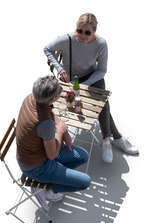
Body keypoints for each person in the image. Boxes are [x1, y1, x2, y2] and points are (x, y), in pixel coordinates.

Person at [44, 12, 139, 163]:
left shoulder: (101, 44)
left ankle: (106, 140)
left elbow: (102, 70)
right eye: (79, 31)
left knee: (102, 102)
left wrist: (85, 85)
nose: (82, 35)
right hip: (72, 80)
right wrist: (60, 68)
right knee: (86, 106)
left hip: (92, 78)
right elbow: (47, 49)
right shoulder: (67, 39)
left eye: (87, 32)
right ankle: (118, 137)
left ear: (94, 32)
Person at [16, 76, 91, 211]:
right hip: (36, 167)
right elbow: (52, 155)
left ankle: (52, 177)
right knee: (85, 182)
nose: (62, 90)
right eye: (59, 90)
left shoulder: (32, 97)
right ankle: (45, 187)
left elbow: (49, 111)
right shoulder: (45, 124)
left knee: (83, 156)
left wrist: (63, 129)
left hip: (35, 153)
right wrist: (61, 130)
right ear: (52, 99)